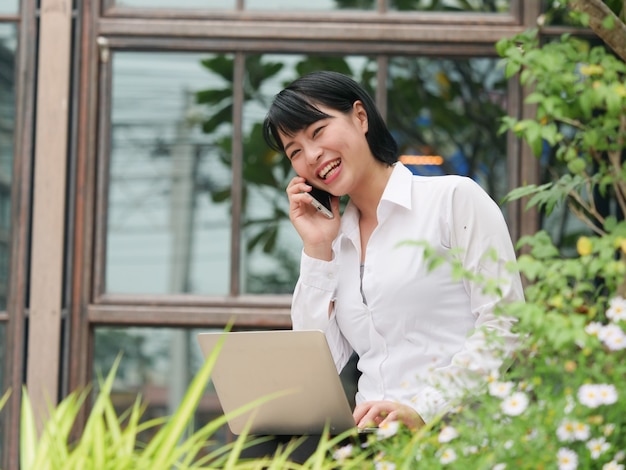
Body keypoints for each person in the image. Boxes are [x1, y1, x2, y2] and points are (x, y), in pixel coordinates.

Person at [257, 70, 524, 456]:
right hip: (371, 448)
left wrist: (422, 408)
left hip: (459, 439)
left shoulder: (452, 200)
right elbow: (315, 374)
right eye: (294, 151)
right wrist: (317, 249)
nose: (311, 156)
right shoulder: (336, 244)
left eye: (317, 132)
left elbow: (507, 325)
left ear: (360, 117)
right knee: (264, 446)